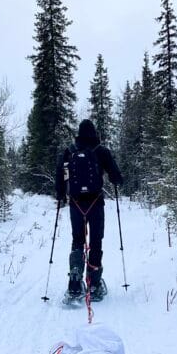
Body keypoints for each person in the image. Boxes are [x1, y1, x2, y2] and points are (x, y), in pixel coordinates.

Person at [55, 119, 123, 300]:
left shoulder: (69, 152)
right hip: (96, 203)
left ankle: (75, 281)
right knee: (96, 241)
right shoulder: (101, 151)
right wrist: (116, 181)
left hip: (76, 203)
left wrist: (60, 194)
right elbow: (116, 176)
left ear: (79, 133)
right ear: (94, 134)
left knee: (77, 239)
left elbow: (61, 175)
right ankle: (94, 285)